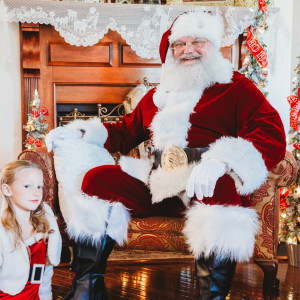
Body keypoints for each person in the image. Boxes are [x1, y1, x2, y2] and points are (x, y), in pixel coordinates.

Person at [46, 11, 286, 300]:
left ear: (212, 45)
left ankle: (212, 296)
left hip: (206, 188)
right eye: (179, 44)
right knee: (96, 179)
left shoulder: (237, 88)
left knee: (220, 185)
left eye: (197, 41)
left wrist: (222, 162)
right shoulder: (158, 96)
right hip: (159, 186)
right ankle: (88, 286)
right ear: (171, 51)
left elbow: (270, 132)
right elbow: (123, 132)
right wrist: (80, 133)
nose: (188, 50)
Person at [0, 160, 62, 300]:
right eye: (27, 186)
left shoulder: (45, 226)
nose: (36, 193)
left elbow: (44, 275)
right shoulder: (2, 230)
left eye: (39, 186)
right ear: (7, 189)